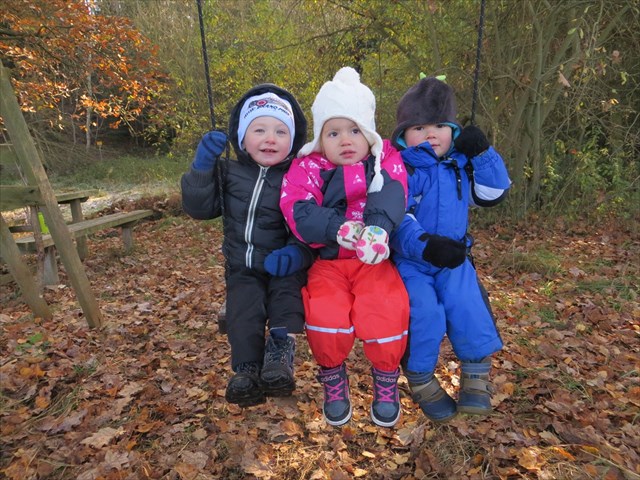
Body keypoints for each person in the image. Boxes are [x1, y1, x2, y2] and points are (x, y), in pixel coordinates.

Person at [280, 67, 410, 427]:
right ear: (321, 139)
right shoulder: (308, 168)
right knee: (325, 313)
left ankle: (386, 376)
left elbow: (393, 191)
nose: (345, 140)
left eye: (355, 130)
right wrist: (336, 228)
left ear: (369, 134)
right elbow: (297, 208)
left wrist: (378, 229)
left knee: (385, 307)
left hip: (373, 261)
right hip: (328, 261)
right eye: (333, 133)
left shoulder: (382, 161)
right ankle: (333, 376)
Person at [181, 84, 314, 408]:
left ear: (293, 141)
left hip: (283, 263)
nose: (270, 138)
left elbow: (309, 224)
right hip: (242, 266)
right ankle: (246, 371)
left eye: (281, 131)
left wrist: (296, 253)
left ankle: (279, 358)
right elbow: (199, 209)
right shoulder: (228, 172)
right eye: (259, 129)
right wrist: (202, 167)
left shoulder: (299, 175)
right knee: (243, 310)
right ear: (242, 138)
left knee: (286, 299)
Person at [389, 76, 511, 422]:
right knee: (425, 311)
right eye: (420, 127)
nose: (432, 134)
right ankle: (421, 377)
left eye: (440, 126)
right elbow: (397, 216)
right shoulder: (402, 168)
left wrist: (482, 154)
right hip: (413, 262)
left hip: (455, 257)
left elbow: (492, 194)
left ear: (453, 131)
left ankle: (475, 375)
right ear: (403, 136)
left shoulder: (460, 165)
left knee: (467, 302)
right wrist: (426, 245)